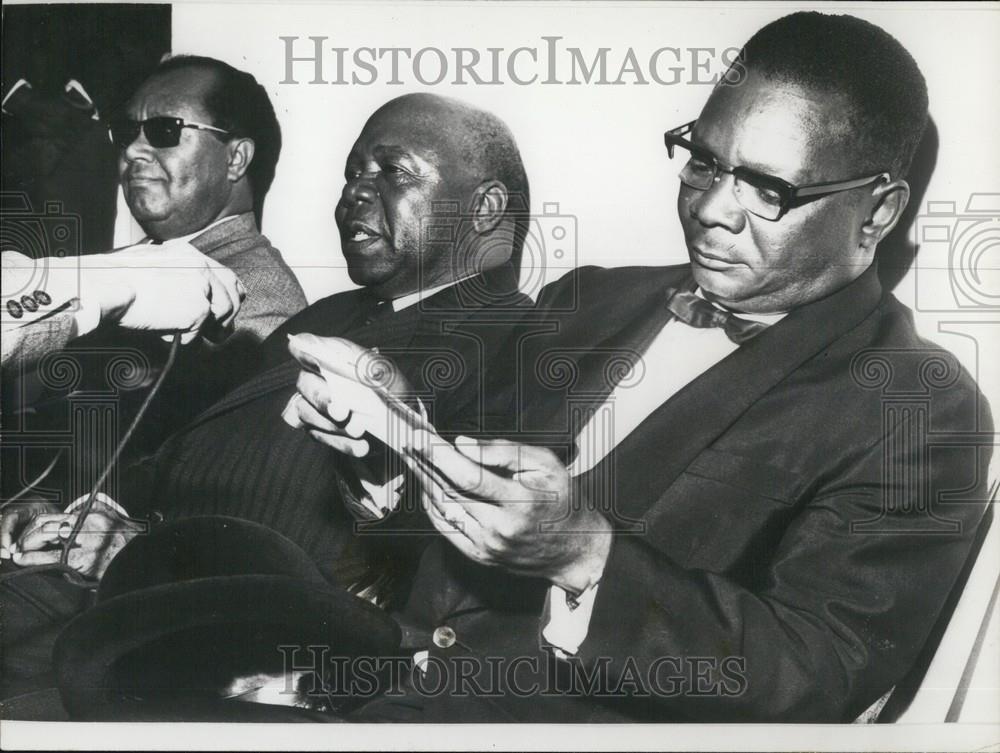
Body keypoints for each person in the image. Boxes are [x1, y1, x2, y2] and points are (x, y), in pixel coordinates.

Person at [290, 13, 993, 722]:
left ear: (876, 213)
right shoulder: (586, 298)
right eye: (704, 162)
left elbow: (817, 667)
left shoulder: (920, 407)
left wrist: (584, 554)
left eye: (768, 190)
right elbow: (443, 536)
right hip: (373, 687)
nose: (712, 209)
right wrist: (389, 444)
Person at [0, 94, 533, 711]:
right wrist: (76, 510)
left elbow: (403, 552)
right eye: (352, 174)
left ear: (486, 207)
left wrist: (145, 550)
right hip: (112, 583)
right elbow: (190, 446)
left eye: (393, 172)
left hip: (216, 636)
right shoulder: (331, 313)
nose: (354, 194)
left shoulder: (513, 344)